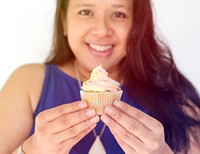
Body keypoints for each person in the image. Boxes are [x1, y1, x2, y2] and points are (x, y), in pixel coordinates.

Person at [0, 0, 199, 153]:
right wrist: (31, 150)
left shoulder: (175, 91)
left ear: (137, 25)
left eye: (118, 14)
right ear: (65, 21)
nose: (102, 30)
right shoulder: (29, 82)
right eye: (86, 11)